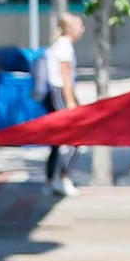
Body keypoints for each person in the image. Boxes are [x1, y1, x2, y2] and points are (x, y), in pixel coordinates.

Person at [40, 13, 87, 194]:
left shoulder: (59, 46)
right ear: (69, 29)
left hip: (56, 93)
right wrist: (70, 103)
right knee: (74, 138)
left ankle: (51, 180)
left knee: (57, 140)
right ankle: (63, 177)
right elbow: (65, 77)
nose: (82, 29)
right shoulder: (64, 47)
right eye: (79, 25)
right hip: (59, 93)